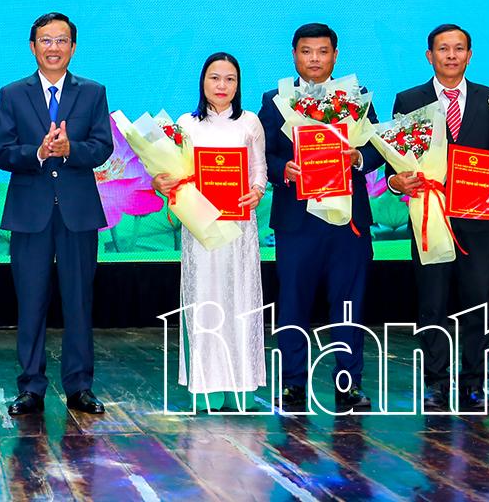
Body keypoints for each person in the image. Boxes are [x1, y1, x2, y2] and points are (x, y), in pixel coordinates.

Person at [388, 24, 489, 411]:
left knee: (477, 301)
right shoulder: (409, 99)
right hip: (430, 216)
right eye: (443, 49)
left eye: (459, 48)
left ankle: (474, 384)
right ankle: (436, 384)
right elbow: (394, 160)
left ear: (469, 55)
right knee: (432, 302)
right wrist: (396, 181)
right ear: (430, 56)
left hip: (477, 217)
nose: (451, 55)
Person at [0, 12, 114, 416]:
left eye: (62, 40)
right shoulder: (13, 93)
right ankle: (31, 387)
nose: (54, 47)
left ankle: (79, 386)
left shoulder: (93, 92)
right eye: (46, 40)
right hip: (30, 214)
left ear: (73, 48)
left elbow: (103, 146)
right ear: (33, 47)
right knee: (31, 303)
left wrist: (70, 150)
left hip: (78, 213)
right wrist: (40, 152)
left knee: (79, 302)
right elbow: (1, 151)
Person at [256, 22, 382, 413]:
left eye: (323, 51)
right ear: (294, 54)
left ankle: (349, 384)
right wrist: (284, 169)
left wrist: (357, 157)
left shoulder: (356, 96)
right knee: (293, 303)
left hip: (348, 221)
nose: (315, 59)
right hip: (298, 221)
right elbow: (262, 153)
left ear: (335, 55)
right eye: (307, 51)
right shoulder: (275, 99)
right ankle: (293, 384)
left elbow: (378, 147)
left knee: (348, 304)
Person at [151, 53, 267, 409]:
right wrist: (160, 183)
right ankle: (205, 387)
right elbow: (171, 174)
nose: (221, 85)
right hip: (200, 228)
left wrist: (257, 191)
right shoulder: (186, 124)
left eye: (230, 79)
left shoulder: (250, 122)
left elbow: (259, 170)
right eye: (215, 77)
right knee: (203, 298)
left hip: (239, 227)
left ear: (238, 85)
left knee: (240, 297)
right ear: (203, 81)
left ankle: (240, 385)